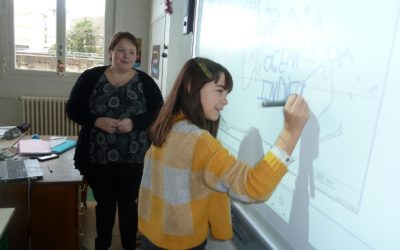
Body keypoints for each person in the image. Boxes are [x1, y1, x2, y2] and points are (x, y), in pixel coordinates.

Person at [137, 57, 309, 250]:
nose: (225, 100)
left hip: (151, 234)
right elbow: (253, 187)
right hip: (179, 243)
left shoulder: (169, 126)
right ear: (191, 86)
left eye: (226, 93)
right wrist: (290, 132)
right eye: (219, 90)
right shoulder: (200, 142)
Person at [66, 31, 163, 250]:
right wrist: (96, 121)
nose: (126, 56)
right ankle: (103, 245)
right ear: (111, 52)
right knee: (105, 206)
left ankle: (129, 246)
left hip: (134, 160)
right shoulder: (91, 77)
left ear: (136, 56)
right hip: (98, 158)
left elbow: (159, 112)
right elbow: (72, 109)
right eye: (121, 50)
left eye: (132, 52)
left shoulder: (145, 82)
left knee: (129, 206)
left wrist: (134, 123)